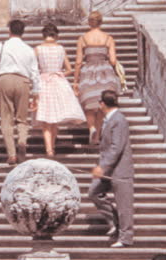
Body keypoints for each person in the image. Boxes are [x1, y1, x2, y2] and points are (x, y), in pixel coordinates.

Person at [0, 20, 41, 165]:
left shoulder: (2, 46)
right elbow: (35, 72)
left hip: (5, 79)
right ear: (23, 32)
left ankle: (11, 154)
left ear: (9, 30)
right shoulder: (28, 49)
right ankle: (22, 141)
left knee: (6, 118)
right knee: (22, 118)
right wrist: (36, 92)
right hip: (23, 81)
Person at [89, 90, 134, 248]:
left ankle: (126, 237)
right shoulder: (109, 119)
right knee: (94, 193)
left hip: (120, 170)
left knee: (124, 205)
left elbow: (117, 147)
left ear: (102, 103)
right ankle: (115, 222)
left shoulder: (118, 120)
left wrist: (102, 167)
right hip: (108, 170)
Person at [34, 23, 86, 157]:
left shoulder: (38, 49)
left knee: (46, 119)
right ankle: (52, 146)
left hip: (44, 82)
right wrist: (59, 73)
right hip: (58, 82)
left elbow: (33, 70)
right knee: (55, 118)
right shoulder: (60, 48)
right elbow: (69, 69)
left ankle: (49, 149)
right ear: (56, 35)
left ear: (43, 35)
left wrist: (42, 75)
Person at [73, 11, 120, 145]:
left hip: (88, 72)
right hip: (105, 73)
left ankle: (92, 128)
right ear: (101, 22)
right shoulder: (108, 38)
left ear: (89, 22)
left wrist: (75, 81)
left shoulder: (83, 39)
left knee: (88, 105)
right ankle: (98, 135)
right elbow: (113, 60)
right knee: (101, 105)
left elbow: (78, 62)